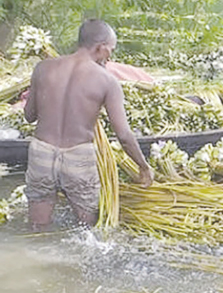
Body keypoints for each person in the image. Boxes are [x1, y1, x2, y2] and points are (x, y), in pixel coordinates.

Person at [23, 18, 153, 230]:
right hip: (78, 158)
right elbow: (124, 135)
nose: (110, 56)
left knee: (37, 227)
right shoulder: (107, 81)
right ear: (100, 47)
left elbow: (29, 116)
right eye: (111, 50)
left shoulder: (43, 68)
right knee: (86, 231)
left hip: (42, 153)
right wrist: (143, 166)